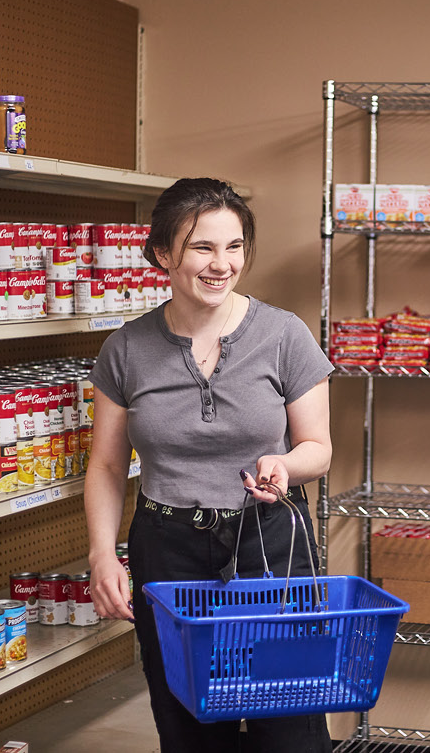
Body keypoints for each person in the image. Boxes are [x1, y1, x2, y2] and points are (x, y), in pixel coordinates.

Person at [83, 178, 335, 751]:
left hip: (268, 544)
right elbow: (104, 465)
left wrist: (286, 466)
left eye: (235, 247)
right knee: (190, 725)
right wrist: (102, 553)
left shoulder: (284, 335)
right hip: (168, 548)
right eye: (202, 248)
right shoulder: (125, 349)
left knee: (290, 726)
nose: (221, 264)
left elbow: (317, 447)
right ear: (162, 254)